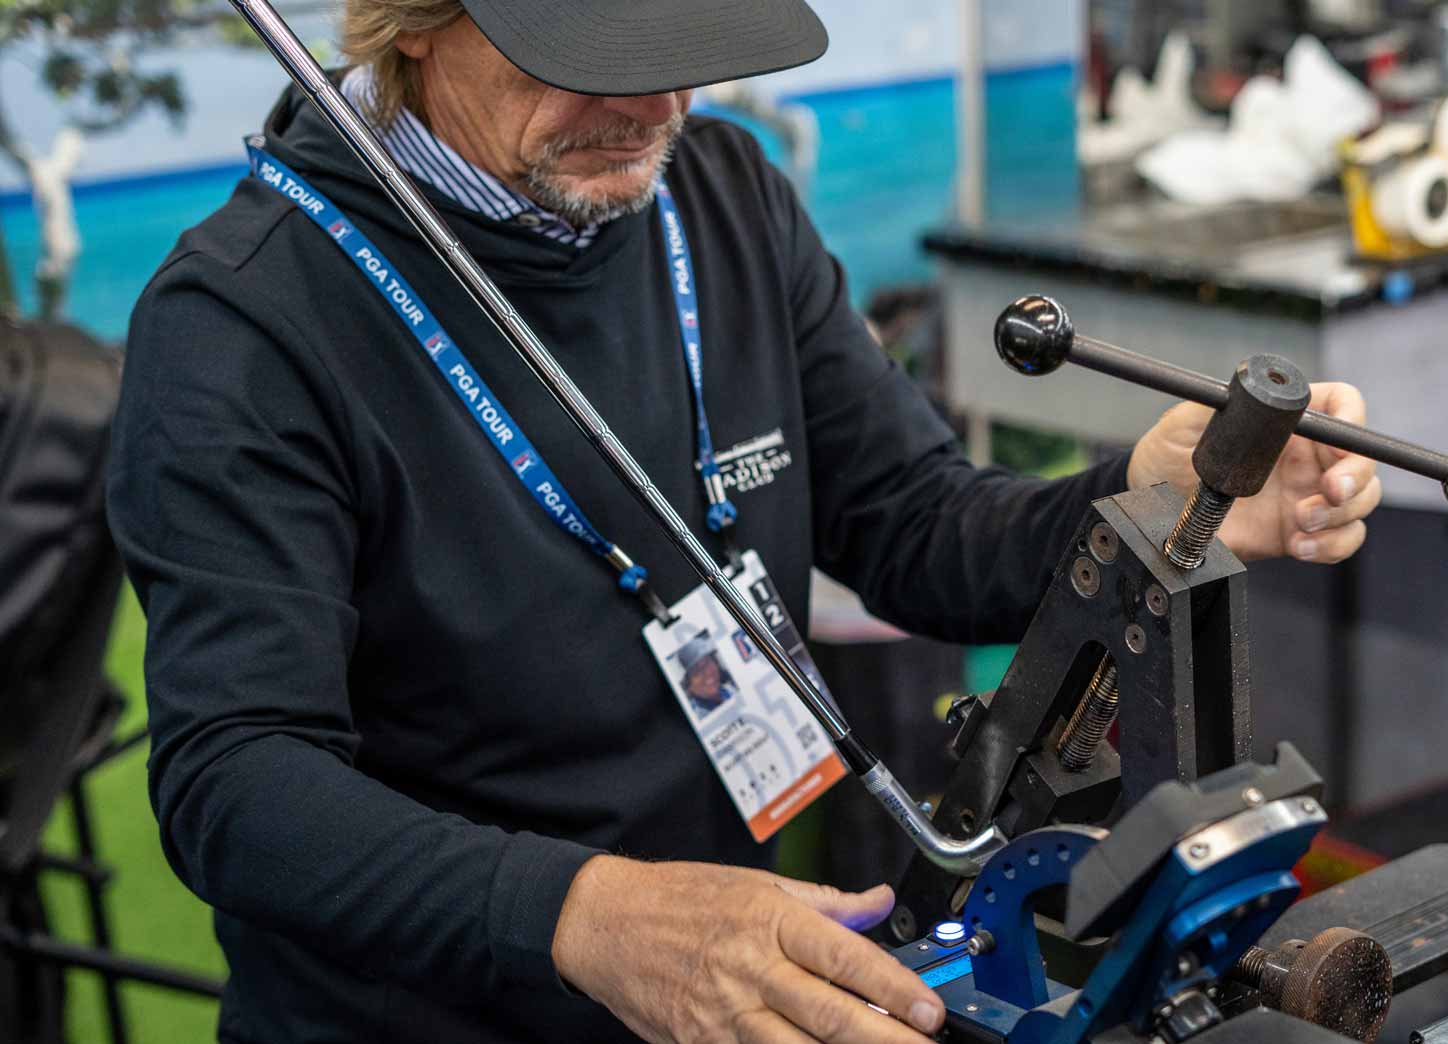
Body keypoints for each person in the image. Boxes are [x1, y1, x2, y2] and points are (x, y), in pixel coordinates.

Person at [105, 1, 1383, 1041]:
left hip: (739, 986)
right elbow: (239, 784)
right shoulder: (243, 325)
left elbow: (911, 522)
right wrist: (591, 915)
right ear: (414, 21)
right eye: (593, 57)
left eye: (685, 52)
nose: (657, 107)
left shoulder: (718, 191)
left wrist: (1142, 506)